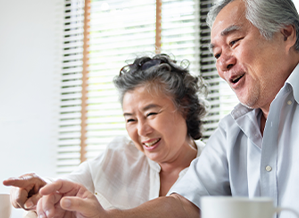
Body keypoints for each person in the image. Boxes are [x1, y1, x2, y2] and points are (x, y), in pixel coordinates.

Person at [21, 0, 299, 218]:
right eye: (217, 53)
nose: (223, 62)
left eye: (234, 42)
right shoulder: (233, 132)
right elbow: (185, 204)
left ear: (286, 33)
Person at [3, 53, 207, 217]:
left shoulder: (215, 165)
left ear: (185, 106)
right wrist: (43, 187)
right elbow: (70, 183)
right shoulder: (119, 155)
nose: (142, 130)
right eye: (131, 120)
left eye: (151, 114)